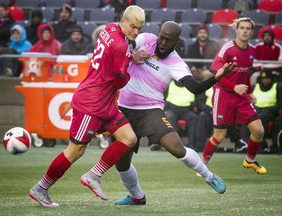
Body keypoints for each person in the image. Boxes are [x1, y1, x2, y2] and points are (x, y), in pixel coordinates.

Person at [28, 5, 147, 207]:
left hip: (105, 102)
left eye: (139, 29)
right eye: (133, 27)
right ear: (124, 21)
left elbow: (114, 56)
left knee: (129, 138)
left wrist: (130, 57)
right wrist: (130, 65)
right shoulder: (121, 46)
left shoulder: (109, 29)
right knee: (75, 150)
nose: (135, 32)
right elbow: (120, 81)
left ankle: (94, 175)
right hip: (91, 103)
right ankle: (41, 188)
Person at [114, 21, 236, 205]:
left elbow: (195, 88)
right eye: (162, 37)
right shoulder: (146, 39)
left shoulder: (176, 63)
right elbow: (125, 42)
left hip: (150, 111)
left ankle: (209, 176)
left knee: (176, 148)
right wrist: (132, 54)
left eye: (168, 40)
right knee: (121, 162)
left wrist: (217, 77)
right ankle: (137, 196)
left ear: (176, 41)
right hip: (123, 109)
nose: (163, 43)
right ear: (158, 34)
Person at [201, 17, 267, 174]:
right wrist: (234, 86)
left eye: (248, 28)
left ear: (252, 31)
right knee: (219, 135)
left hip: (241, 97)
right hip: (223, 94)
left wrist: (249, 92)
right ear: (236, 30)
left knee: (259, 131)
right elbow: (216, 72)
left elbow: (245, 73)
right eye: (242, 28)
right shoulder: (227, 48)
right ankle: (202, 165)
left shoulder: (252, 50)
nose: (244, 31)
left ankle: (249, 160)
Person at [238, 69, 282, 154]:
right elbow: (248, 102)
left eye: (267, 78)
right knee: (245, 120)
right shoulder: (255, 87)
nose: (265, 80)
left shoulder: (277, 87)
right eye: (263, 78)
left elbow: (280, 105)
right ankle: (246, 144)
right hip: (256, 111)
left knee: (259, 119)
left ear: (271, 78)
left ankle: (260, 145)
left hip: (270, 112)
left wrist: (268, 109)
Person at [164, 80, 199, 151]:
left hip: (186, 110)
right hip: (172, 109)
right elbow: (163, 97)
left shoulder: (190, 84)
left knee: (194, 117)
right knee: (170, 117)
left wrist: (194, 105)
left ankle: (192, 144)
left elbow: (196, 99)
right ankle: (174, 144)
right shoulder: (169, 84)